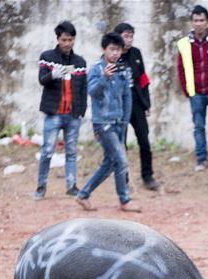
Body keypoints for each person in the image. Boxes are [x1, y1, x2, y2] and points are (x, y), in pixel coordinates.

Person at [75, 32, 140, 213]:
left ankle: (84, 194)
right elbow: (93, 92)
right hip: (103, 123)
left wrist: (126, 120)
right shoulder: (96, 69)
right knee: (121, 160)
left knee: (110, 163)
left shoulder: (123, 69)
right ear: (104, 49)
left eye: (118, 50)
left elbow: (127, 96)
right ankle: (125, 200)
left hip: (119, 122)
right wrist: (104, 77)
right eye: (111, 49)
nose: (115, 53)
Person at [33, 21, 87, 200]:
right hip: (54, 113)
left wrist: (81, 111)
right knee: (47, 151)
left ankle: (71, 186)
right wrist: (52, 74)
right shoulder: (47, 57)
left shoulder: (80, 62)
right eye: (64, 39)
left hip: (72, 115)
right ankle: (41, 186)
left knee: (71, 152)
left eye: (70, 40)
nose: (67, 43)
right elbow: (42, 79)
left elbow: (83, 89)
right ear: (58, 39)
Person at [176, 5, 208, 171]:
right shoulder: (184, 43)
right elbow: (181, 68)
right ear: (192, 22)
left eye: (202, 20)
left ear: (207, 22)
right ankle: (201, 160)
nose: (198, 23)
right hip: (196, 93)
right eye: (195, 20)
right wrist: (187, 91)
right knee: (198, 127)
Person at [114, 23, 159, 191]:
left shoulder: (136, 54)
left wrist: (146, 103)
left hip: (137, 104)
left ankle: (148, 176)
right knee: (121, 144)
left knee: (144, 142)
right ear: (118, 36)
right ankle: (123, 179)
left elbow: (143, 80)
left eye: (131, 36)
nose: (129, 40)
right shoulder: (112, 55)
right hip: (119, 107)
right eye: (126, 36)